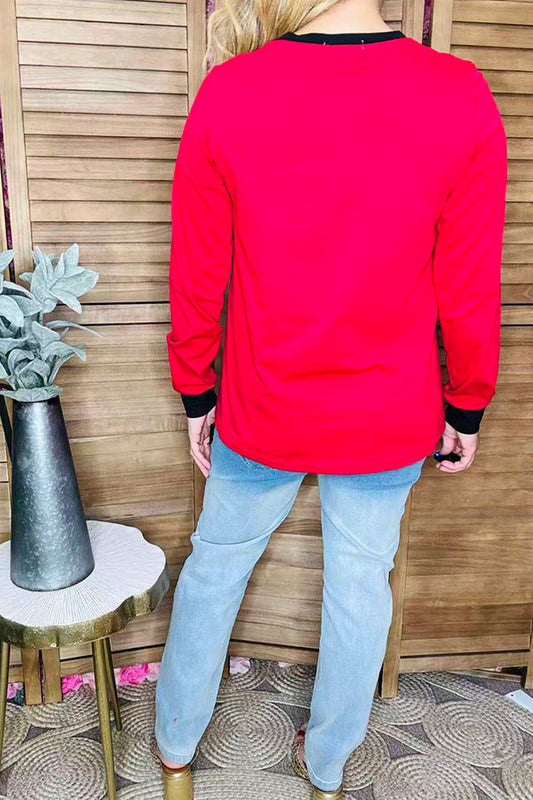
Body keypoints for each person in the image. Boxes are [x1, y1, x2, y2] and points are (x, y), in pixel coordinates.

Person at [153, 0, 508, 797]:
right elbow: (467, 279)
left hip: (261, 400)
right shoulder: (457, 93)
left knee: (214, 571)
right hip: (388, 409)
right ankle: (325, 771)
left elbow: (197, 270)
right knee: (359, 587)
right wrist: (465, 402)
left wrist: (195, 389)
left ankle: (175, 750)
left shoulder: (231, 91)